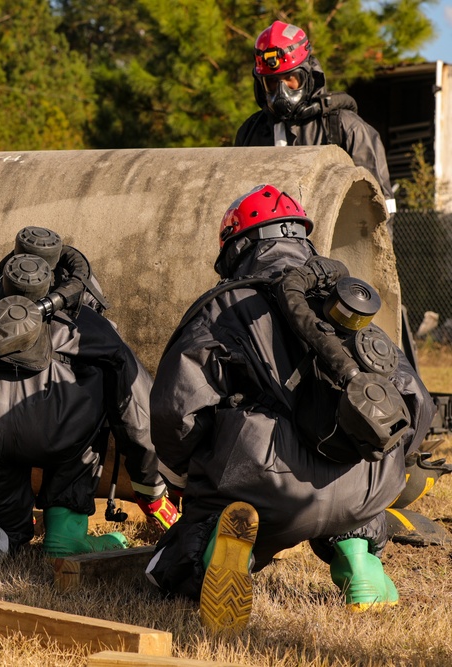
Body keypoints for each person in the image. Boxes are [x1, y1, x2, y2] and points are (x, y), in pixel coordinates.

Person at [145, 185, 434, 634]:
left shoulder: (225, 304)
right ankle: (361, 565)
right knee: (347, 478)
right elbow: (415, 398)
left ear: (237, 244)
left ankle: (215, 550)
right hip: (366, 483)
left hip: (265, 482)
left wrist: (189, 476)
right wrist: (388, 457)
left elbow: (176, 411)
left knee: (165, 567)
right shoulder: (347, 302)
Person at [0, 227, 178, 586]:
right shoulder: (89, 324)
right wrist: (150, 487)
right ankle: (66, 538)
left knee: (7, 534)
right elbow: (136, 410)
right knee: (94, 412)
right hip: (57, 427)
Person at [235, 21, 396, 215]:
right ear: (261, 85)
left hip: (331, 243)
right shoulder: (250, 133)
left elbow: (379, 210)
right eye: (272, 83)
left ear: (309, 76)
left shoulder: (347, 128)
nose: (282, 92)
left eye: (291, 79)